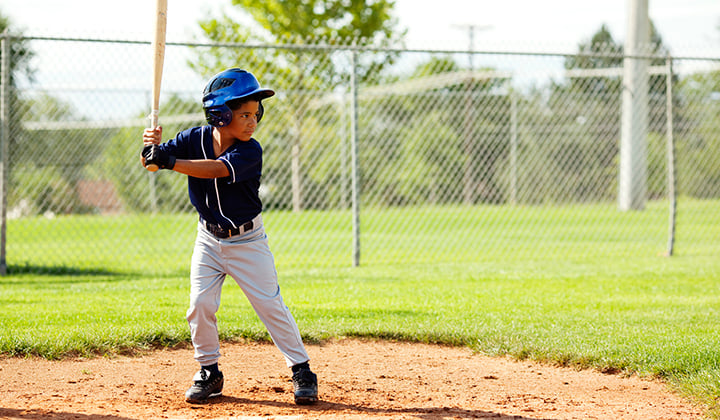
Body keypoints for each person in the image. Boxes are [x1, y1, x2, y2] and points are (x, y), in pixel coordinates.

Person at [141, 68, 318, 405]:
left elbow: (216, 169)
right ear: (219, 115)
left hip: (247, 241)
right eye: (244, 114)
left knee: (269, 305)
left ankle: (302, 370)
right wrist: (151, 149)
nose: (253, 121)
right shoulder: (193, 138)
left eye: (256, 114)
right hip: (208, 239)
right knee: (199, 305)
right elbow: (152, 163)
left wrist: (168, 159)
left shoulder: (250, 151)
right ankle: (209, 372)